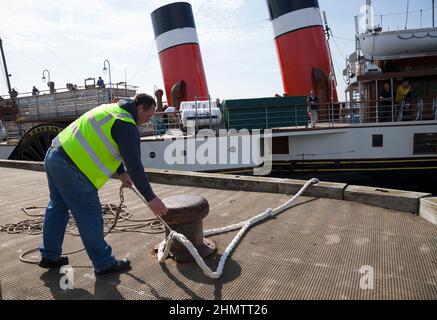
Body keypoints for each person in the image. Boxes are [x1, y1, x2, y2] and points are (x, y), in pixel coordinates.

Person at [39, 94, 168, 275]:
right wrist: (150, 197)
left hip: (54, 155)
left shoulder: (112, 110)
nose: (149, 120)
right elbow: (135, 165)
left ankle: (49, 256)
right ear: (140, 108)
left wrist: (121, 171)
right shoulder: (126, 124)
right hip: (73, 168)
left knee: (57, 208)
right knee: (89, 215)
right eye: (149, 114)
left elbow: (106, 140)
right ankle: (104, 262)